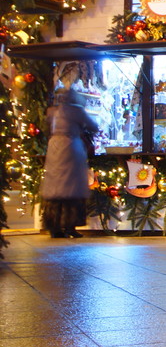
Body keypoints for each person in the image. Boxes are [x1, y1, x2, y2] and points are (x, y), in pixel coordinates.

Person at [41, 89, 99, 238]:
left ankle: (54, 226)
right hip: (71, 148)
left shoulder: (52, 111)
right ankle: (70, 225)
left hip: (54, 149)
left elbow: (46, 129)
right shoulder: (76, 111)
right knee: (71, 187)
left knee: (55, 187)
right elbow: (93, 126)